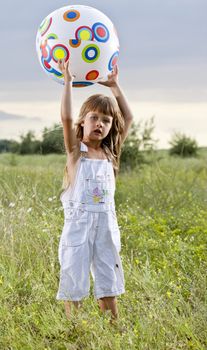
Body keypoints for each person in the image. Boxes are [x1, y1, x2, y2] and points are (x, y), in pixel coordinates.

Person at [56, 58, 134, 324]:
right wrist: (67, 82)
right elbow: (65, 117)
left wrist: (115, 86)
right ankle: (75, 330)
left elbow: (129, 118)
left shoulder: (111, 154)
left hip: (106, 228)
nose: (99, 123)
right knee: (74, 282)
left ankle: (114, 330)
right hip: (78, 229)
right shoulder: (76, 152)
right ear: (83, 121)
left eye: (106, 120)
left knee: (108, 282)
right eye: (94, 118)